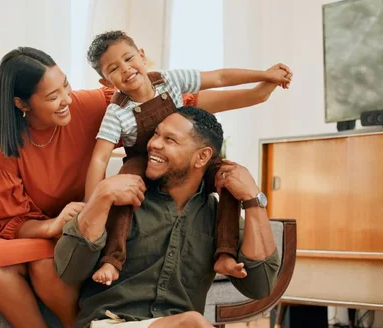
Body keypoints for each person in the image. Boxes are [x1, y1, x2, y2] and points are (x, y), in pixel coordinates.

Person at [0, 46, 286, 328]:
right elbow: (8, 220)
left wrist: (260, 91)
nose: (66, 99)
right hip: (66, 224)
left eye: (65, 85)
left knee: (44, 264)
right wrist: (88, 205)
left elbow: (172, 103)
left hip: (84, 221)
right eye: (53, 96)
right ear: (21, 103)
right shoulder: (6, 143)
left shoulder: (93, 105)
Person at [83, 30, 291, 286]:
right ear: (106, 82)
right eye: (113, 69)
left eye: (128, 58)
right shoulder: (117, 111)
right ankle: (112, 259)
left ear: (142, 55)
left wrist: (265, 75)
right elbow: (99, 159)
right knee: (123, 192)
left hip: (186, 149)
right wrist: (91, 204)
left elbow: (220, 77)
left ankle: (224, 253)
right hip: (143, 158)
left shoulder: (170, 80)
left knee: (229, 177)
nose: (125, 69)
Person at [55, 106, 280, 328]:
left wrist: (253, 200)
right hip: (109, 324)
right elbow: (69, 270)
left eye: (170, 140)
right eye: (156, 134)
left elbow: (260, 286)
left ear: (202, 157)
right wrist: (101, 196)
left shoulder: (219, 220)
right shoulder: (121, 198)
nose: (154, 144)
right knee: (191, 322)